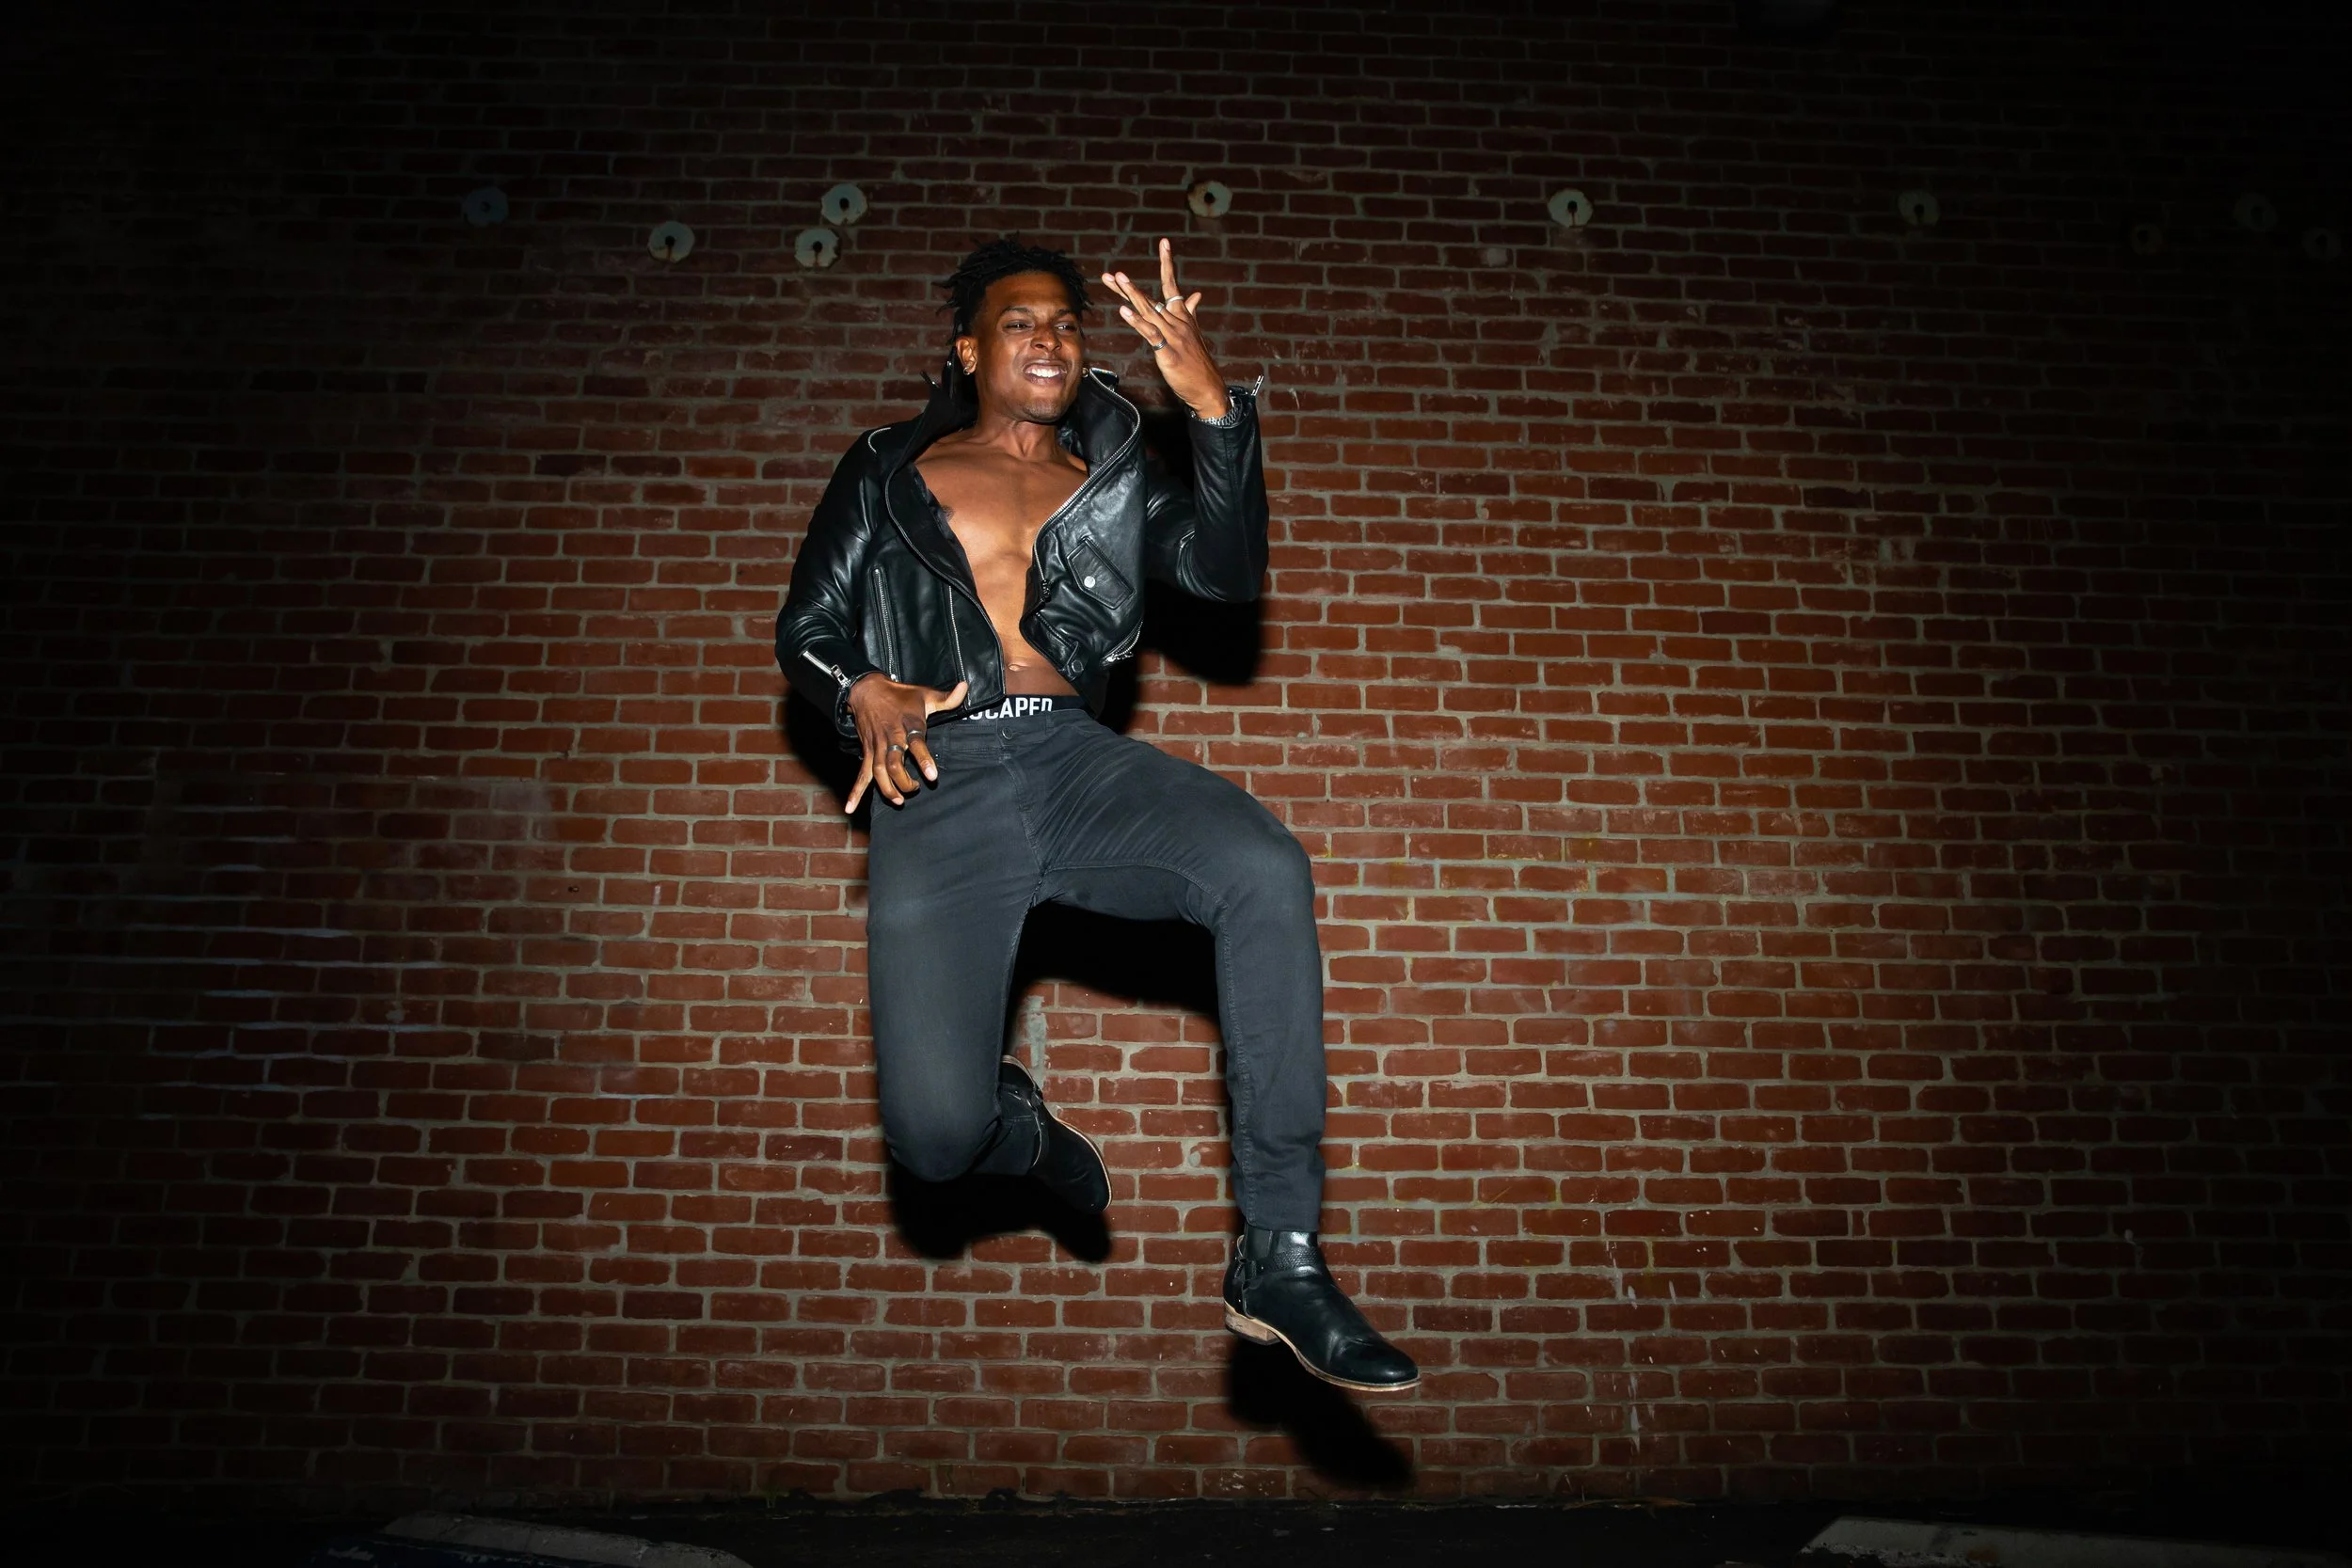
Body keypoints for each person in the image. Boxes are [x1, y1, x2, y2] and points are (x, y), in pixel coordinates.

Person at [775, 235, 1417, 1393]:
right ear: (969, 349)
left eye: (1068, 323)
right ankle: (1016, 1126)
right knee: (932, 1138)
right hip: (937, 781)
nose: (1051, 338)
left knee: (1262, 865)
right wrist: (858, 684)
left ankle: (1279, 1251)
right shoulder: (882, 467)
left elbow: (1223, 572)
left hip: (1075, 762)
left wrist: (1216, 411)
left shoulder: (1112, 475)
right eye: (1021, 321)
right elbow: (808, 628)